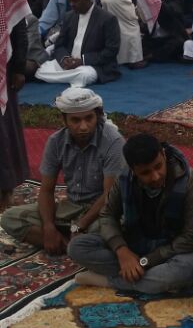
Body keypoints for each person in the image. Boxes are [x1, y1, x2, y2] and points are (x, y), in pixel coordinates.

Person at [68, 132, 193, 294]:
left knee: (187, 268)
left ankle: (111, 281)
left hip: (174, 249)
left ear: (163, 155)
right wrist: (122, 251)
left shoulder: (189, 180)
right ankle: (146, 278)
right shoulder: (124, 178)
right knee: (77, 247)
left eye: (158, 166)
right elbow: (107, 215)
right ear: (133, 170)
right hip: (136, 243)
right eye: (145, 173)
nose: (155, 176)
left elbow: (192, 235)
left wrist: (146, 261)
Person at [1, 86, 125, 252]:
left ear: (98, 116)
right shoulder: (56, 141)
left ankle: (74, 244)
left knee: (110, 229)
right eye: (76, 120)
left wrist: (80, 225)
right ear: (64, 120)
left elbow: (109, 196)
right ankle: (73, 246)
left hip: (100, 211)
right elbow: (46, 191)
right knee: (10, 218)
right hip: (70, 208)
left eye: (89, 118)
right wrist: (49, 227)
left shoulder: (113, 141)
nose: (83, 127)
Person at [35, 0, 121, 86]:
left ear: (88, 0)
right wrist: (65, 59)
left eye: (76, 1)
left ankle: (66, 77)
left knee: (83, 75)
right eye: (70, 1)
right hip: (68, 63)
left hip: (92, 65)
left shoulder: (107, 19)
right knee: (41, 70)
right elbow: (60, 45)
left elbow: (111, 50)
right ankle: (71, 78)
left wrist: (82, 61)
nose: (72, 4)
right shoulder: (69, 16)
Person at [0, 0, 31, 212]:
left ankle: (5, 191)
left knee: (3, 132)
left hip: (4, 69)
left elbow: (19, 25)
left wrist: (19, 67)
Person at [100, 0, 163, 68]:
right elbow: (146, 0)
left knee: (119, 28)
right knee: (132, 26)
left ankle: (120, 58)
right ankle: (134, 60)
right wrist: (144, 18)